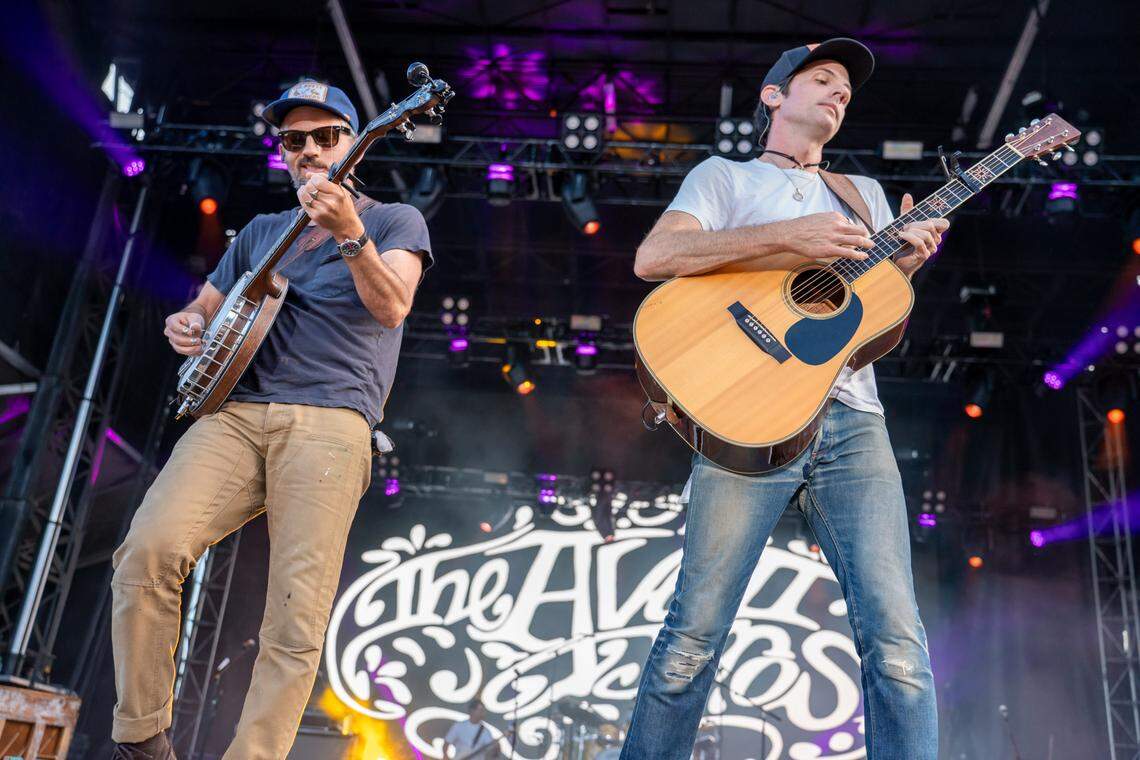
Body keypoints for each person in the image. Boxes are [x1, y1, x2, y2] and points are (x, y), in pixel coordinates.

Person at [621, 38, 948, 760]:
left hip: (854, 423)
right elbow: (656, 259)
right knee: (692, 638)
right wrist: (791, 239)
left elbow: (865, 307)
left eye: (846, 90)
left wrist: (906, 265)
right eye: (822, 79)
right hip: (750, 413)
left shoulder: (860, 194)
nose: (839, 93)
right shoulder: (723, 176)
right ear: (773, 96)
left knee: (898, 644)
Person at [109, 80, 433, 760]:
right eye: (294, 139)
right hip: (233, 414)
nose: (310, 149)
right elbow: (205, 305)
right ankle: (142, 736)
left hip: (330, 422)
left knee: (294, 616)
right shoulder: (260, 231)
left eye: (325, 136)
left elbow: (393, 306)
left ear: (352, 142)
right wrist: (189, 322)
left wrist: (350, 234)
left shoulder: (395, 220)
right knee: (147, 551)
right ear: (281, 152)